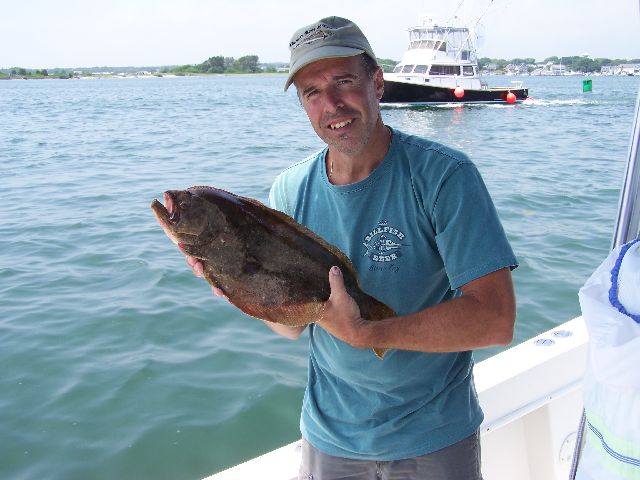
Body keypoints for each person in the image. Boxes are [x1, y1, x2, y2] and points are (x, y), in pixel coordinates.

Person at [189, 16, 517, 480]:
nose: (332, 105)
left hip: (435, 437)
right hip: (330, 439)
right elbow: (290, 327)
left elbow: (495, 320)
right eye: (312, 92)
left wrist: (367, 333)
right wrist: (230, 283)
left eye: (344, 81)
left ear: (377, 82)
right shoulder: (289, 191)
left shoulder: (444, 176)